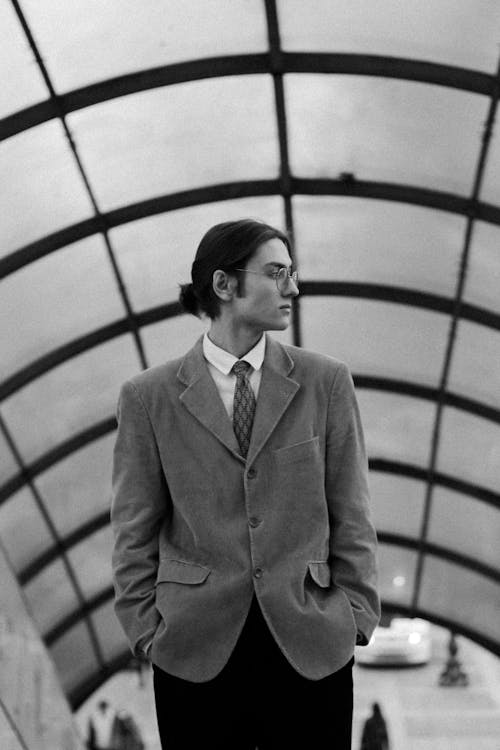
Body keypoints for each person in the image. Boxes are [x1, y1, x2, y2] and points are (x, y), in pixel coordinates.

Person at [111, 218, 380, 749]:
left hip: (311, 643)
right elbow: (133, 527)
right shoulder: (149, 397)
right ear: (224, 285)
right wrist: (147, 633)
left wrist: (355, 617)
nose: (293, 289)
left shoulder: (325, 382)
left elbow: (352, 509)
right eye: (277, 273)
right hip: (193, 651)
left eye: (292, 273)